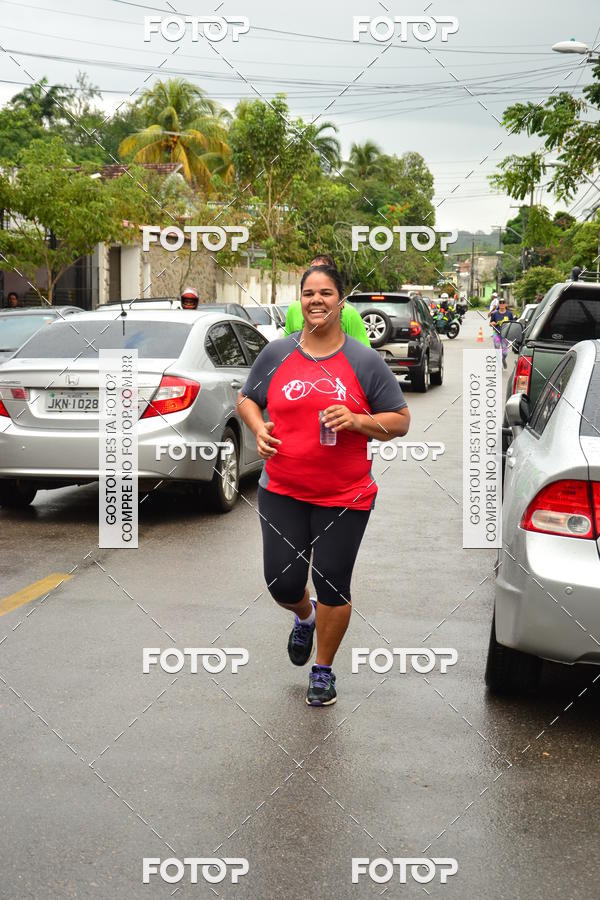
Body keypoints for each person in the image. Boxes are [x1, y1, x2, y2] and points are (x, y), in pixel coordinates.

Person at [238, 265, 410, 707]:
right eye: (309, 293)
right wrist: (258, 428)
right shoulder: (276, 354)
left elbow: (400, 420)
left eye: (326, 293)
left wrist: (357, 421)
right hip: (281, 490)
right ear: (300, 300)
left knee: (333, 581)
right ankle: (305, 615)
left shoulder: (363, 360)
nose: (317, 300)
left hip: (345, 496)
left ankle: (323, 670)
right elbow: (247, 399)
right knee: (281, 582)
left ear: (340, 302)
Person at [284, 254, 370, 347]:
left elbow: (363, 352)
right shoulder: (293, 309)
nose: (317, 275)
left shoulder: (350, 313)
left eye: (323, 270)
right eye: (312, 270)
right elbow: (287, 347)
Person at [490, 298, 514, 369]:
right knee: (497, 348)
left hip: (505, 335)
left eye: (503, 302)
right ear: (499, 304)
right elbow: (490, 323)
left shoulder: (509, 313)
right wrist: (492, 323)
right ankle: (499, 363)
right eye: (500, 302)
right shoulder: (495, 313)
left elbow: (512, 323)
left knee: (505, 353)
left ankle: (503, 359)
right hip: (496, 333)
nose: (502, 304)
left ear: (506, 304)